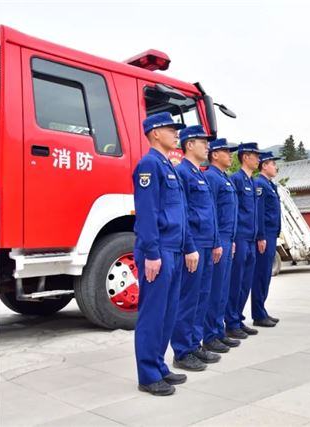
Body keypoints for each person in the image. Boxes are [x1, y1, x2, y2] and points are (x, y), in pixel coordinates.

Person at [132, 112, 189, 396]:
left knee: (168, 314)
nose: (176, 133)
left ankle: (160, 365)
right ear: (155, 133)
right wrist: (152, 252)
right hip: (159, 251)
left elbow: (179, 212)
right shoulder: (148, 166)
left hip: (174, 249)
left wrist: (187, 247)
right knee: (153, 314)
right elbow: (147, 214)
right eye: (171, 129)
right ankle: (147, 374)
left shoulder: (168, 166)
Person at [170, 125, 222, 372]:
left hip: (206, 244)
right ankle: (181, 350)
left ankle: (194, 343)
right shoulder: (182, 172)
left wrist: (214, 243)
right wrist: (190, 245)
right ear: (189, 144)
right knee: (189, 298)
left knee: (202, 297)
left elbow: (208, 213)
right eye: (203, 142)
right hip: (193, 246)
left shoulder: (199, 174)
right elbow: (184, 214)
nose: (207, 146)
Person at [202, 138, 241, 354]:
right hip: (218, 239)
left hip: (228, 238)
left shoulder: (223, 178)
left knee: (222, 289)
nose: (230, 156)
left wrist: (232, 239)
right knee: (215, 289)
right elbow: (212, 214)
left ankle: (218, 331)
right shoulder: (211, 177)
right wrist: (217, 240)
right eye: (226, 152)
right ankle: (209, 336)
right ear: (215, 155)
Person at [226, 143, 262, 336]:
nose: (258, 159)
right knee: (236, 281)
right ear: (245, 157)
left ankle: (238, 318)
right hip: (240, 236)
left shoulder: (252, 181)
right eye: (255, 156)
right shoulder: (237, 180)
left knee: (246, 282)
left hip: (251, 238)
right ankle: (230, 322)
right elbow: (234, 211)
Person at [251, 151, 283, 328]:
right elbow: (259, 213)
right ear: (264, 165)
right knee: (261, 275)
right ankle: (258, 314)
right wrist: (261, 235)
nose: (275, 167)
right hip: (265, 235)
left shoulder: (270, 185)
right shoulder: (260, 184)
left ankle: (261, 310)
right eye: (272, 163)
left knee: (266, 276)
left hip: (272, 234)